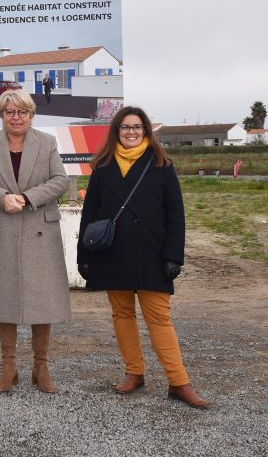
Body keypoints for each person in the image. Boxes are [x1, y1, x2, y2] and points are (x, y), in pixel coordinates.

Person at [77, 106, 210, 408]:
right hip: (113, 254)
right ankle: (134, 372)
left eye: (137, 127)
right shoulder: (102, 166)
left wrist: (174, 256)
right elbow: (90, 214)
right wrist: (83, 256)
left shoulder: (162, 164)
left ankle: (179, 382)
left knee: (160, 320)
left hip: (153, 254)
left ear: (146, 131)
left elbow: (176, 215)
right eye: (125, 127)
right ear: (116, 131)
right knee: (122, 316)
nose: (131, 132)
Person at [0, 89, 71, 394]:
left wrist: (26, 198)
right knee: (5, 298)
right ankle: (8, 366)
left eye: (22, 112)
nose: (16, 117)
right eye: (10, 112)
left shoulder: (47, 142)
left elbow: (60, 181)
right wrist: (1, 198)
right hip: (2, 227)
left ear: (31, 115)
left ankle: (41, 366)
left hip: (39, 227)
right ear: (1, 115)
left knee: (43, 300)